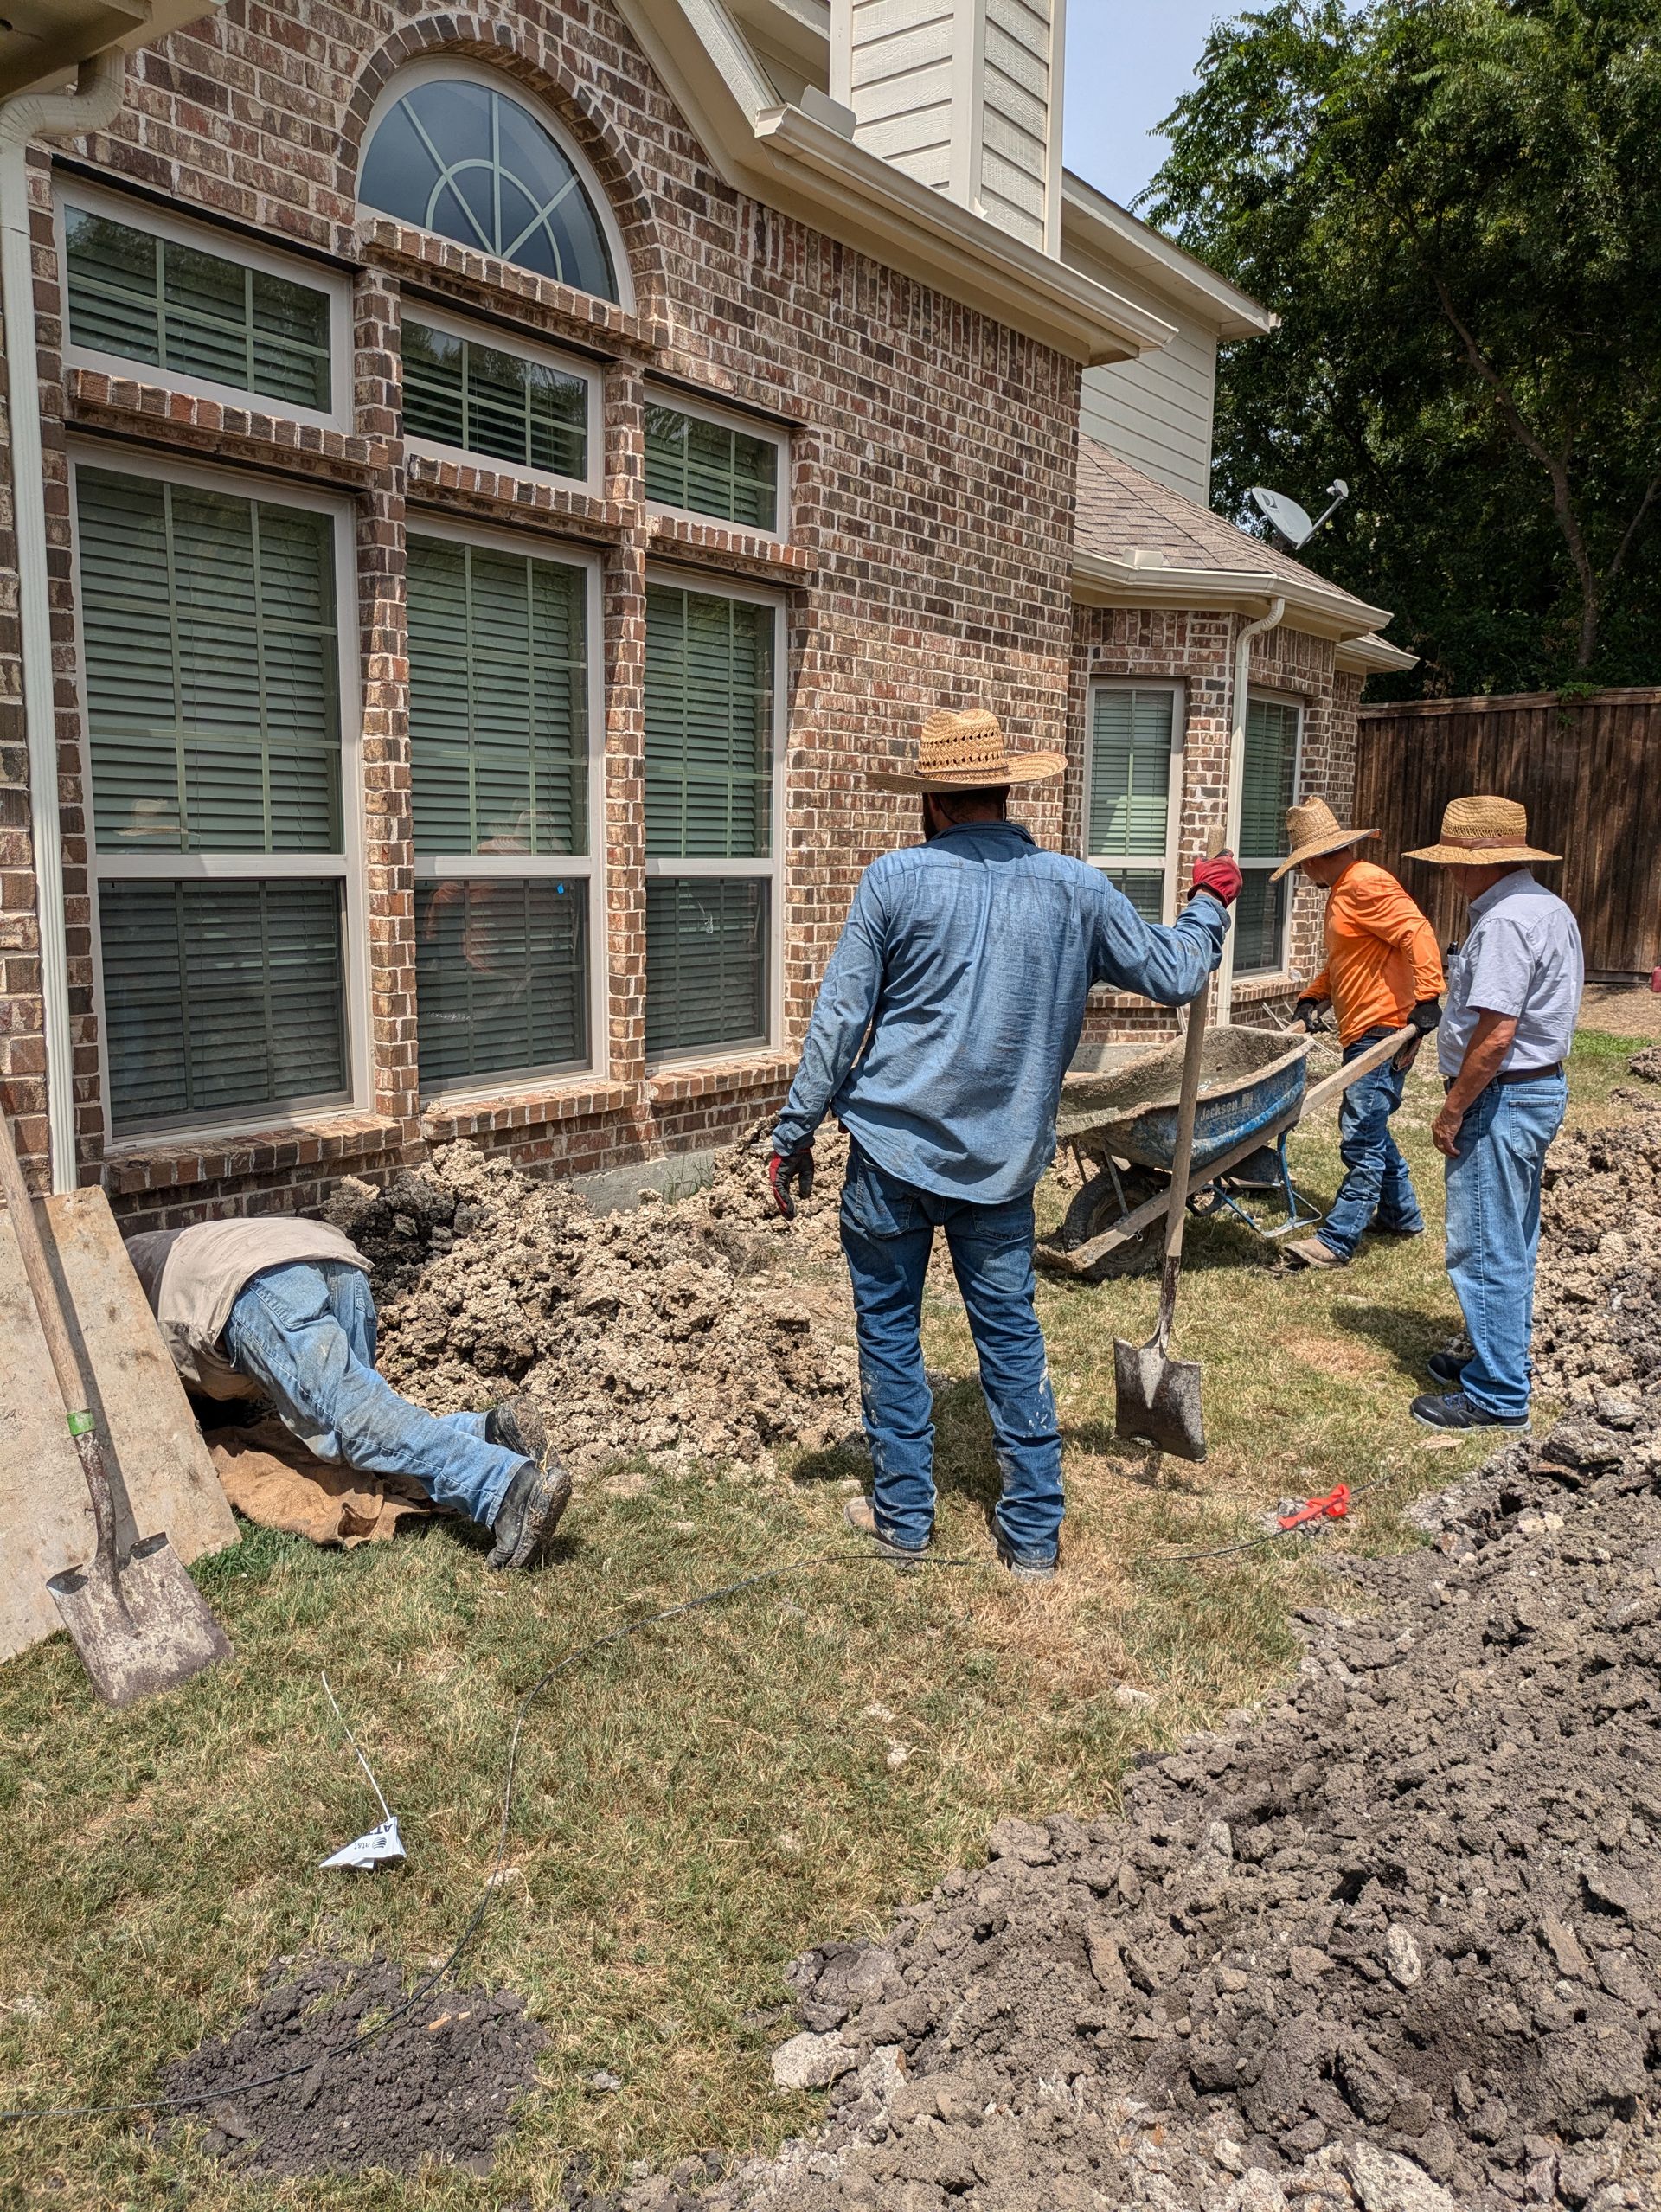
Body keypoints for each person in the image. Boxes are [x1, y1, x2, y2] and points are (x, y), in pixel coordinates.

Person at [766, 705, 1240, 1580]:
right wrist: (1208, 906)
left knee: (889, 1331)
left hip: (891, 1154)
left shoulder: (894, 880)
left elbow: (839, 1019)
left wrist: (792, 1131)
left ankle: (906, 1520)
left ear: (933, 802)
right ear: (1004, 791)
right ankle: (1029, 1536)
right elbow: (1176, 974)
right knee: (1010, 1336)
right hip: (1000, 1161)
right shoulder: (1076, 888)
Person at [125, 1215, 570, 1568]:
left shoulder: (117, 1295)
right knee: (368, 1419)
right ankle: (484, 1432)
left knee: (351, 1423)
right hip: (329, 1257)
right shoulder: (151, 1246)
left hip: (254, 1285)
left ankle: (505, 1488)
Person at [1401, 795, 1583, 1433]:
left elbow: (1498, 1034)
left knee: (1484, 1244)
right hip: (1534, 1091)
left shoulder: (1506, 922)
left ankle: (1499, 1393)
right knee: (1513, 1236)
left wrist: (1452, 1111)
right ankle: (1496, 1355)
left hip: (1501, 1095)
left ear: (1484, 857)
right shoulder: (1547, 907)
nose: (1449, 872)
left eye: (1455, 861)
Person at [1278, 796, 1446, 1270]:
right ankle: (1401, 1215)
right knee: (1371, 1124)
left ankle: (1337, 1239)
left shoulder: (1365, 883)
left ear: (1312, 859)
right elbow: (1346, 961)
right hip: (1360, 1028)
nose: (1304, 877)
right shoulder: (1343, 890)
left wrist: (1429, 998)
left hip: (1382, 1026)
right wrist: (1314, 997)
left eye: (1302, 867)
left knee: (1360, 1134)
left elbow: (1417, 931)